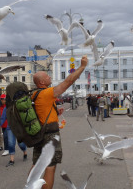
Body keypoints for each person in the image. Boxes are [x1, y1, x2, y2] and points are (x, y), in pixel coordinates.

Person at [29, 55, 88, 189]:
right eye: (47, 76)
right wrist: (82, 66)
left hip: (39, 133)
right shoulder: (47, 93)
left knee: (37, 165)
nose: (50, 78)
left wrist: (55, 112)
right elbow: (68, 82)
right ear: (42, 82)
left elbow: (40, 111)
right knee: (50, 167)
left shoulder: (35, 94)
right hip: (49, 135)